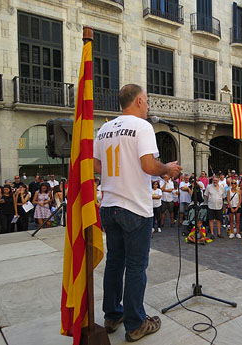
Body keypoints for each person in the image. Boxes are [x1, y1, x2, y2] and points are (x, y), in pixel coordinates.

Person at [93, 84, 182, 341]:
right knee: (135, 266)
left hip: (109, 205)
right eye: (147, 101)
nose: (149, 105)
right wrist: (167, 168)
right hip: (135, 207)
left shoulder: (105, 128)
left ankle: (112, 315)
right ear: (140, 101)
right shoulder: (143, 127)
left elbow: (97, 164)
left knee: (114, 262)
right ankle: (135, 324)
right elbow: (147, 164)